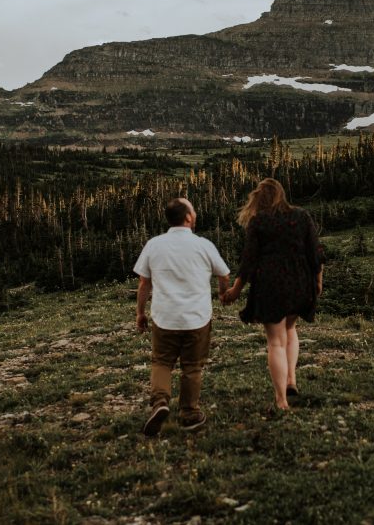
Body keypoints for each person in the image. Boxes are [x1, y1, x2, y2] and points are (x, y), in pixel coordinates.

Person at [221, 178, 324, 411]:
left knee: (275, 341)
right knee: (290, 329)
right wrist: (317, 282)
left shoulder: (259, 222)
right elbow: (315, 253)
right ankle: (291, 380)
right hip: (299, 282)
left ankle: (281, 400)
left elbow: (248, 262)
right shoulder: (301, 216)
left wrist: (235, 291)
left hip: (270, 285)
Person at [134, 197, 230, 436]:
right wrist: (221, 292)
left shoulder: (154, 244)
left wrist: (140, 312)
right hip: (197, 318)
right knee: (192, 367)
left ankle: (160, 403)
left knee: (162, 362)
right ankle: (189, 413)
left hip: (165, 317)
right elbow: (224, 274)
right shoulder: (203, 245)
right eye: (193, 210)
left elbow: (144, 283)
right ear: (188, 217)